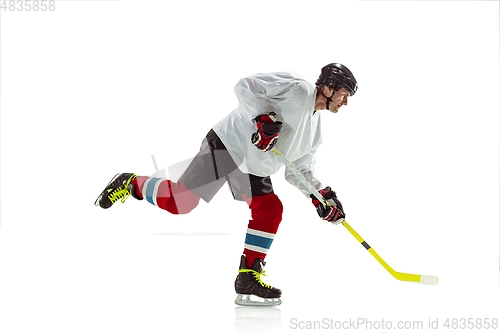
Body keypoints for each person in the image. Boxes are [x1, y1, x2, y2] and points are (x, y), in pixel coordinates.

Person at [94, 63, 358, 306]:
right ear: (328, 87)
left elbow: (299, 171)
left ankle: (248, 277)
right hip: (227, 145)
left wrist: (321, 197)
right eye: (344, 94)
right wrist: (261, 118)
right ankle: (131, 183)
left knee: (270, 209)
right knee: (181, 203)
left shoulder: (316, 132)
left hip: (252, 167)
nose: (346, 102)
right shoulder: (297, 88)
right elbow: (246, 85)